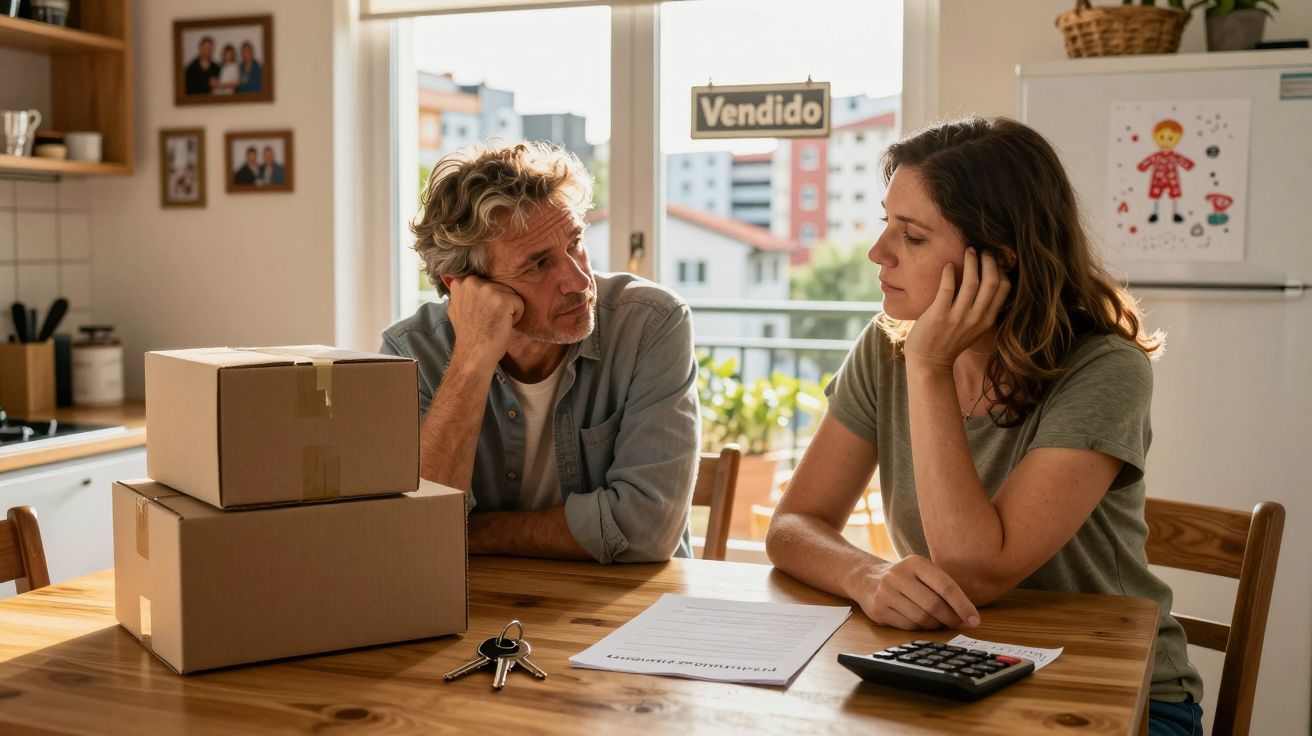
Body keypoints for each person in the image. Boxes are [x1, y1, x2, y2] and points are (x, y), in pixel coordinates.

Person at [764, 117, 1204, 736]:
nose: (877, 253)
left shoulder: (1105, 369)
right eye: (886, 222)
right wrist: (866, 574)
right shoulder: (885, 347)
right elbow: (791, 526)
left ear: (997, 259)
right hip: (954, 671)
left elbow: (975, 569)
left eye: (911, 236)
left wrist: (930, 367)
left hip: (1125, 696)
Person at [380, 141, 699, 563]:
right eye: (538, 264)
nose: (578, 279)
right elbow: (415, 536)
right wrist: (471, 360)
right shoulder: (410, 351)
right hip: (481, 607)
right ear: (464, 286)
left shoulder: (652, 324)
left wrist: (474, 531)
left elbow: (647, 529)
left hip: (633, 608)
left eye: (575, 242)